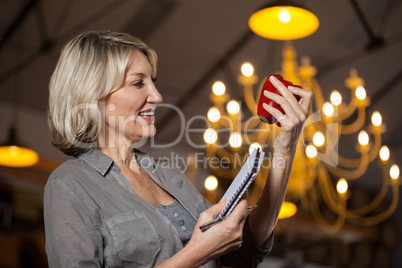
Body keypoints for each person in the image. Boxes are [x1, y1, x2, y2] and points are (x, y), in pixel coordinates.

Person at [44, 31, 313, 268]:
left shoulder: (166, 175)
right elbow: (204, 250)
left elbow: (245, 252)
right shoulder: (69, 184)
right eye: (138, 83)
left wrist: (285, 149)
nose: (157, 96)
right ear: (93, 96)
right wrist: (197, 253)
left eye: (153, 81)